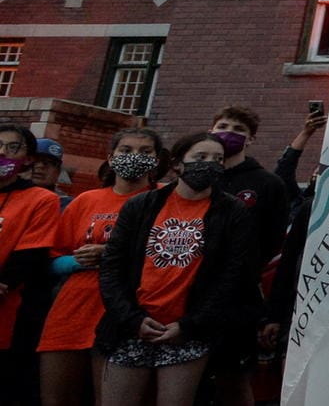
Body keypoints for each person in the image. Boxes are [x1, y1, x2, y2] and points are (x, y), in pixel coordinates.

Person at [96, 132, 256, 406]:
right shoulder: (141, 205)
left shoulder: (232, 211)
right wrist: (131, 319)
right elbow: (112, 267)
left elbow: (233, 275)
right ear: (177, 164)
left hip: (188, 329)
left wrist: (190, 324)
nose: (209, 164)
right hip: (133, 325)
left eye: (218, 159)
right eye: (200, 157)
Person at [37, 126, 163, 406]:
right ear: (111, 156)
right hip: (73, 306)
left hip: (127, 308)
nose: (134, 157)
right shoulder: (86, 200)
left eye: (145, 152)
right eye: (126, 150)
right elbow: (52, 258)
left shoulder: (164, 199)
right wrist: (74, 261)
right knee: (56, 396)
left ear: (157, 159)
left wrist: (111, 253)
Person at [205, 104, 288, 406]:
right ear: (211, 130)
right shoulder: (195, 179)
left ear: (251, 139)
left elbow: (273, 241)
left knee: (234, 380)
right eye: (223, 126)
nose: (229, 134)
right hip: (188, 294)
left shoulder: (267, 184)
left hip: (237, 299)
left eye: (239, 130)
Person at [0, 123, 62, 406]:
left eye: (13, 147)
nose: (3, 153)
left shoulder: (41, 199)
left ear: (27, 158)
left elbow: (31, 253)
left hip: (11, 309)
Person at [28, 139, 68, 206]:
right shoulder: (8, 194)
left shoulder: (66, 204)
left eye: (50, 163)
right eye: (35, 160)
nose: (40, 166)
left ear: (58, 172)